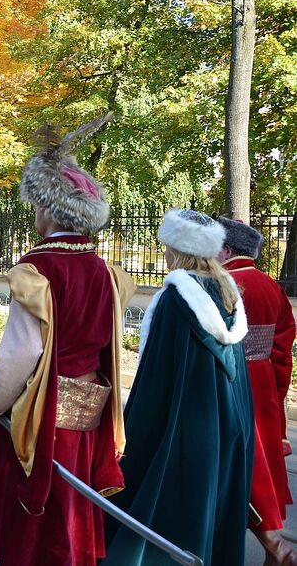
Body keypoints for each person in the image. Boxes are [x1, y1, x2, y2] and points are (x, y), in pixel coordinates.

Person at [0, 116, 134, 565]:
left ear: (48, 209)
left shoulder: (36, 270)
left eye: (36, 205)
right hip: (87, 418)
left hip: (38, 417)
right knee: (71, 513)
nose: (34, 213)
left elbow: (22, 353)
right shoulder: (105, 272)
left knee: (35, 527)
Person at [104, 209, 254, 565]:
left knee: (165, 517)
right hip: (228, 427)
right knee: (209, 514)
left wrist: (132, 432)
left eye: (167, 246)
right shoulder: (227, 293)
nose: (165, 253)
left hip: (184, 430)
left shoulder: (177, 298)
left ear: (178, 248)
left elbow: (157, 378)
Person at [217, 217, 297, 565]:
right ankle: (271, 551)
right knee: (262, 469)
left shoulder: (223, 283)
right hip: (262, 383)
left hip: (232, 381)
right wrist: (275, 393)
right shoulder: (272, 286)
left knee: (234, 468)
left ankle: (271, 548)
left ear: (226, 249)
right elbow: (283, 349)